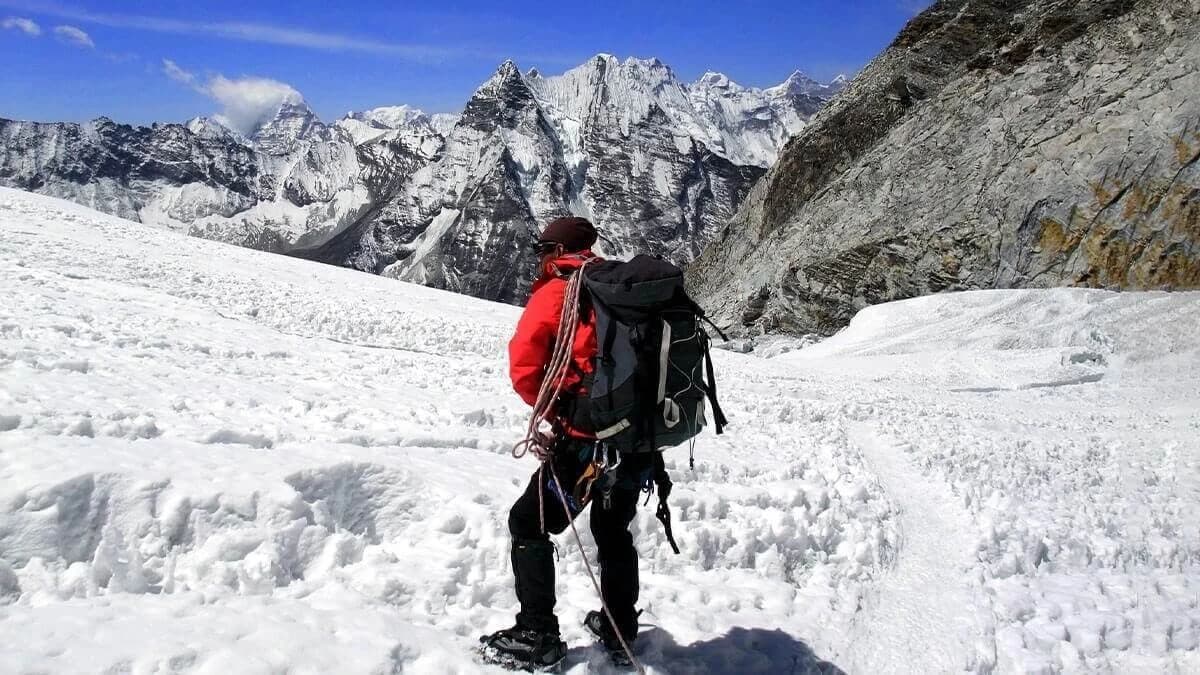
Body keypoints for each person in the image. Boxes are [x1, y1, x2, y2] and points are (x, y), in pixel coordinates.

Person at [480, 216, 655, 669]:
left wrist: (555, 414)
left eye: (543, 249)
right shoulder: (620, 290)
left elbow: (523, 367)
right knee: (613, 529)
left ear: (556, 250)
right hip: (637, 441)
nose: (539, 257)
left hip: (583, 446)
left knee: (528, 522)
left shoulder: (560, 292)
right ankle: (620, 630)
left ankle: (537, 633)